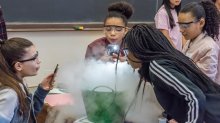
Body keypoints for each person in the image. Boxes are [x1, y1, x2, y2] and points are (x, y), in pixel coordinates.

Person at [118, 24, 220, 123]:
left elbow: (195, 97)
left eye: (127, 51)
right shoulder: (163, 62)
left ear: (139, 51)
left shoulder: (157, 66)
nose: (126, 57)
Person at [0, 38, 56, 123]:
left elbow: (29, 116)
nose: (39, 61)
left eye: (37, 55)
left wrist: (42, 90)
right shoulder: (9, 95)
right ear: (18, 66)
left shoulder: (21, 83)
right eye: (34, 58)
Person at [179, 1, 220, 84]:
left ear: (201, 23)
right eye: (179, 25)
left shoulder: (209, 47)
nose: (181, 30)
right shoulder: (191, 40)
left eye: (185, 25)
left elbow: (205, 83)